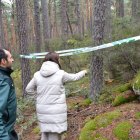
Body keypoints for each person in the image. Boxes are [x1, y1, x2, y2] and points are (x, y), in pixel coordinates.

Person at [26, 52, 87, 140]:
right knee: (54, 135)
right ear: (56, 60)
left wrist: (38, 97)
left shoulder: (37, 74)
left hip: (42, 109)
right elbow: (75, 77)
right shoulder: (60, 74)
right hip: (55, 110)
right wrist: (84, 72)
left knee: (45, 133)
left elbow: (28, 89)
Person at [0, 49, 18, 140]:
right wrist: (4, 137)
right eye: (10, 57)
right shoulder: (3, 81)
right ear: (3, 61)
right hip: (4, 133)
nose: (13, 60)